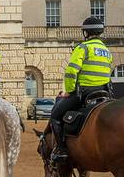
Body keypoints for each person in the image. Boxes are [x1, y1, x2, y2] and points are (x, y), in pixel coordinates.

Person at [48, 17, 114, 164]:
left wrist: (70, 91)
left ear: (86, 32)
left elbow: (71, 71)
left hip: (85, 93)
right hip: (103, 93)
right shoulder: (106, 51)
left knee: (55, 115)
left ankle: (62, 150)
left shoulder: (83, 48)